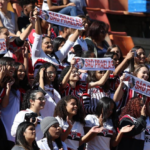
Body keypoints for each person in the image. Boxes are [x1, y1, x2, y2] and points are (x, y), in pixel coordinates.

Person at [31, 9, 80, 76]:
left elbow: (69, 43)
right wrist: (37, 18)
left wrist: (80, 28)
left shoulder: (56, 57)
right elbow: (38, 37)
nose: (50, 44)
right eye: (46, 43)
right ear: (40, 45)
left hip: (55, 86)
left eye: (51, 42)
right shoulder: (37, 54)